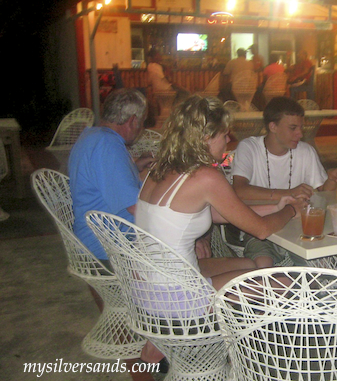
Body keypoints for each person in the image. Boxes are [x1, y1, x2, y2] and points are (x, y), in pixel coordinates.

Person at [136, 94, 305, 290]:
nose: (228, 140)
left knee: (252, 265)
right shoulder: (206, 177)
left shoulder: (157, 169)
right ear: (206, 138)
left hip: (145, 282)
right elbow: (262, 230)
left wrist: (275, 207)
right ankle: (239, 319)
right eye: (224, 134)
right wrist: (291, 210)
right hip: (174, 292)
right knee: (284, 281)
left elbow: (217, 214)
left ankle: (240, 318)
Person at [231, 96, 337, 268]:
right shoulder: (249, 148)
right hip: (260, 226)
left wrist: (331, 179)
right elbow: (239, 191)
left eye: (301, 128)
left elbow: (323, 196)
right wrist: (288, 193)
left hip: (299, 227)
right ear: (273, 126)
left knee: (322, 264)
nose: (300, 134)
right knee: (262, 263)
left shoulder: (306, 151)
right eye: (293, 128)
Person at [69, 88, 153, 268]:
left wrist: (136, 166)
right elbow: (136, 208)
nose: (141, 129)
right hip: (108, 251)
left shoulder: (92, 135)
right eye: (142, 123)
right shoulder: (107, 145)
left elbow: (104, 178)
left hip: (97, 241)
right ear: (133, 121)